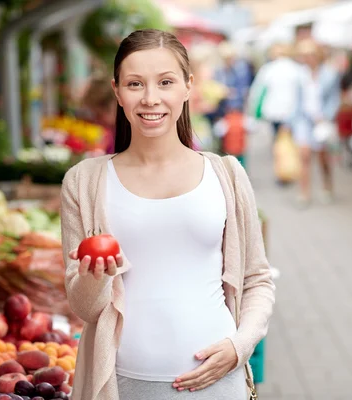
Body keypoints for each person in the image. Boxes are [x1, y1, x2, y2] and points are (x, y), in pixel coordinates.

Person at [60, 29, 275, 400]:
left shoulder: (226, 175)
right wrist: (95, 277)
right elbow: (85, 309)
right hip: (121, 383)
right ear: (116, 91)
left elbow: (257, 280)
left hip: (217, 383)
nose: (150, 98)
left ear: (188, 87)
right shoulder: (84, 182)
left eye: (165, 82)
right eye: (134, 83)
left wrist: (240, 346)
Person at [290, 39, 341, 207]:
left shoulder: (329, 74)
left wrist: (326, 115)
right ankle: (304, 192)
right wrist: (291, 121)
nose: (308, 58)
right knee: (304, 155)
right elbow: (296, 101)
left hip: (322, 122)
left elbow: (334, 98)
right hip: (304, 120)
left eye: (310, 55)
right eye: (304, 55)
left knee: (322, 157)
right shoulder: (299, 75)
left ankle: (327, 186)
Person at [247, 43, 301, 139]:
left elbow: (257, 93)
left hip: (273, 113)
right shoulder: (297, 69)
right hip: (293, 114)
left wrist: (254, 115)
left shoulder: (268, 69)